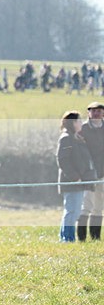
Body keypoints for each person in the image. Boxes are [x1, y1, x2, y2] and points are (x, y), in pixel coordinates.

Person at [56, 110, 96, 242]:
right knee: (72, 212)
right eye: (79, 120)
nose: (81, 123)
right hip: (72, 182)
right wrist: (74, 177)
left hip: (79, 182)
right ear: (72, 123)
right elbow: (63, 160)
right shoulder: (66, 138)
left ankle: (65, 238)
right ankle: (67, 239)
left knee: (74, 211)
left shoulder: (76, 137)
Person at [78, 101, 104, 240]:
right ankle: (81, 238)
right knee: (86, 205)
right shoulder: (83, 129)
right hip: (88, 173)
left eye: (99, 111)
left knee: (99, 207)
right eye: (93, 111)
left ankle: (95, 237)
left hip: (102, 173)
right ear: (89, 113)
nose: (96, 113)